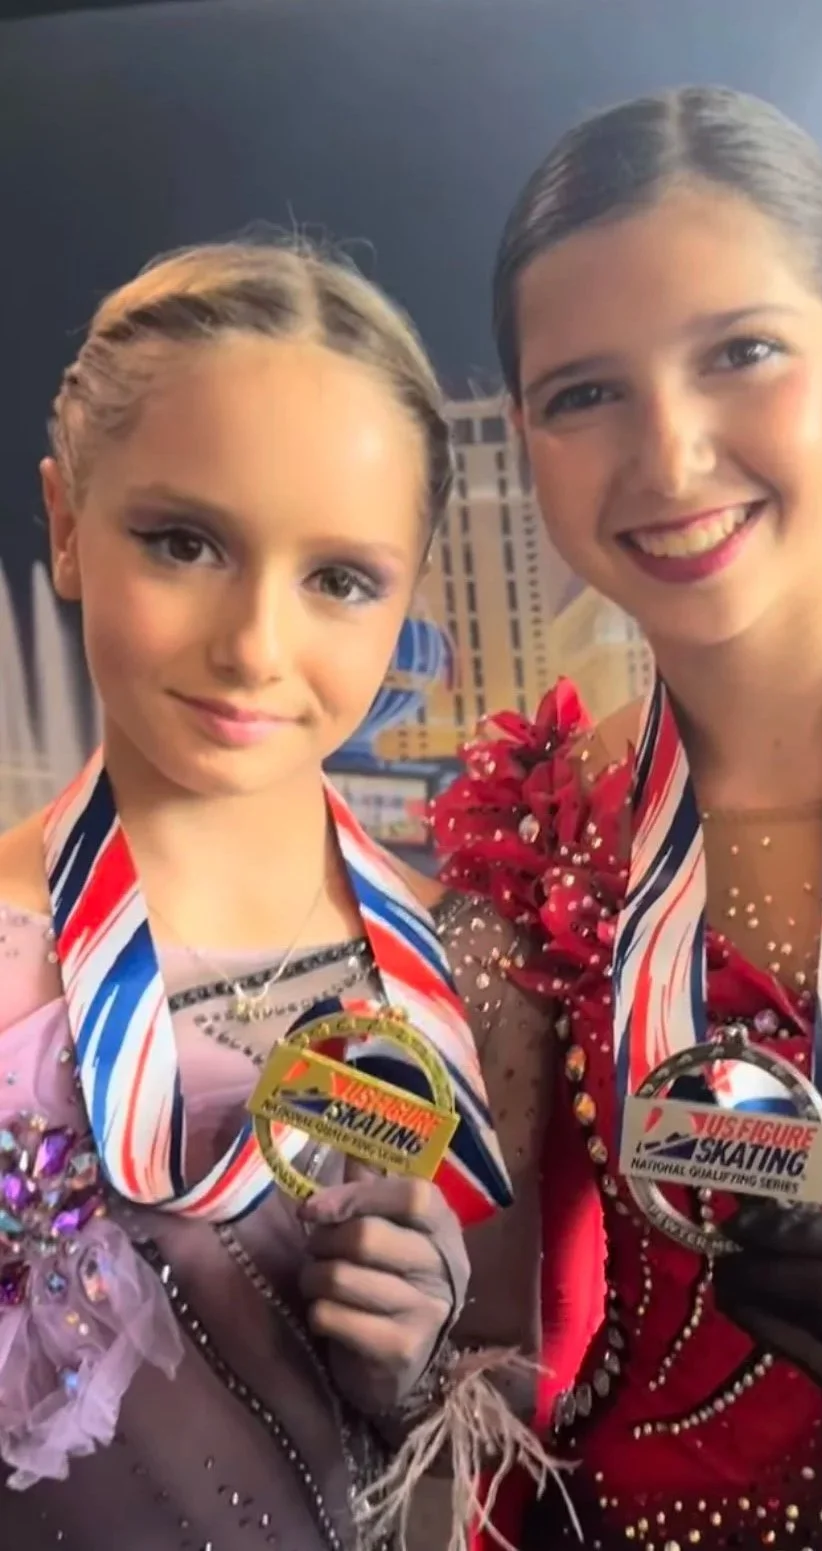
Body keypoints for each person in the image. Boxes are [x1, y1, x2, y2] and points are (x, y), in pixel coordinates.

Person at [433, 87, 822, 1550]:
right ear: (524, 436)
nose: (670, 455)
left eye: (741, 353)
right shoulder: (540, 820)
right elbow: (482, 1333)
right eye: (586, 393)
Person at [0, 241, 556, 1551]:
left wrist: (410, 1375)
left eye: (339, 579)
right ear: (68, 525)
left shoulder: (466, 979)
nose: (254, 644)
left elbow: (504, 1421)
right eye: (184, 542)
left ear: (408, 595)